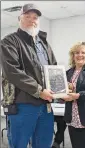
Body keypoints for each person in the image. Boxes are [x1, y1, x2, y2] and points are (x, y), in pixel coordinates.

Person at [1, 3, 57, 148]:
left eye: (35, 17)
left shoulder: (44, 44)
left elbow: (54, 69)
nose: (32, 20)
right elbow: (12, 71)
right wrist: (39, 91)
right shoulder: (9, 42)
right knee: (19, 144)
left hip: (46, 105)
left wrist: (63, 86)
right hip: (23, 105)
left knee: (44, 143)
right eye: (28, 17)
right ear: (19, 19)